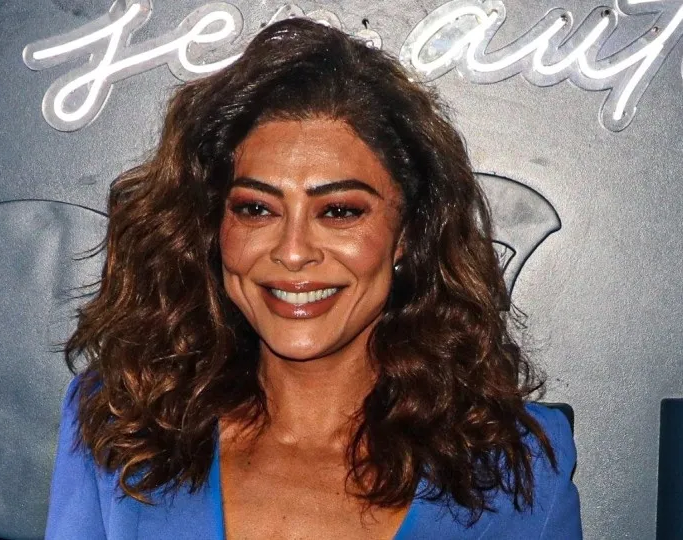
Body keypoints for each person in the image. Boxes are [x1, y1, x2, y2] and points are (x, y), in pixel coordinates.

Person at [46, 16, 582, 540]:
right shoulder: (123, 423)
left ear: (407, 234)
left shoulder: (518, 470)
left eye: (340, 211)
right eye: (257, 209)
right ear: (213, 226)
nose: (293, 252)